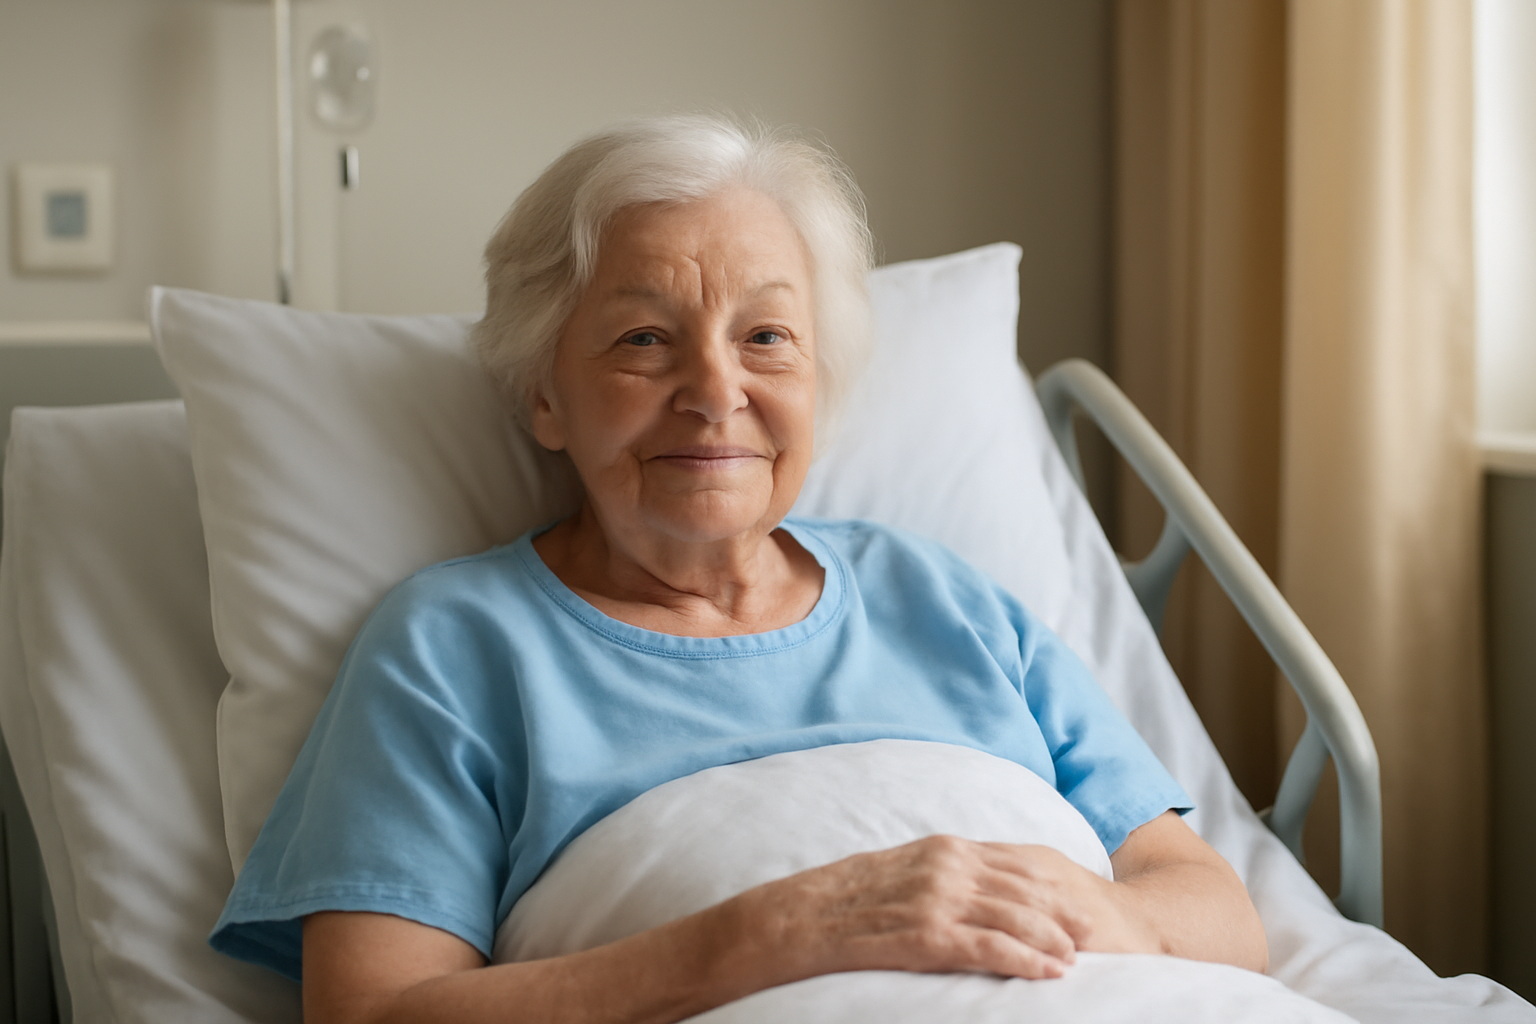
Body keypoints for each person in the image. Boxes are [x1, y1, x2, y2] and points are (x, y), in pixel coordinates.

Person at [211, 114, 1268, 1024]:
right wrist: (779, 930)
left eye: (766, 336)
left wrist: (1108, 916)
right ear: (543, 394)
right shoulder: (453, 646)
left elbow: (1216, 909)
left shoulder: (941, 597)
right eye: (642, 339)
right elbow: (376, 1011)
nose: (716, 391)